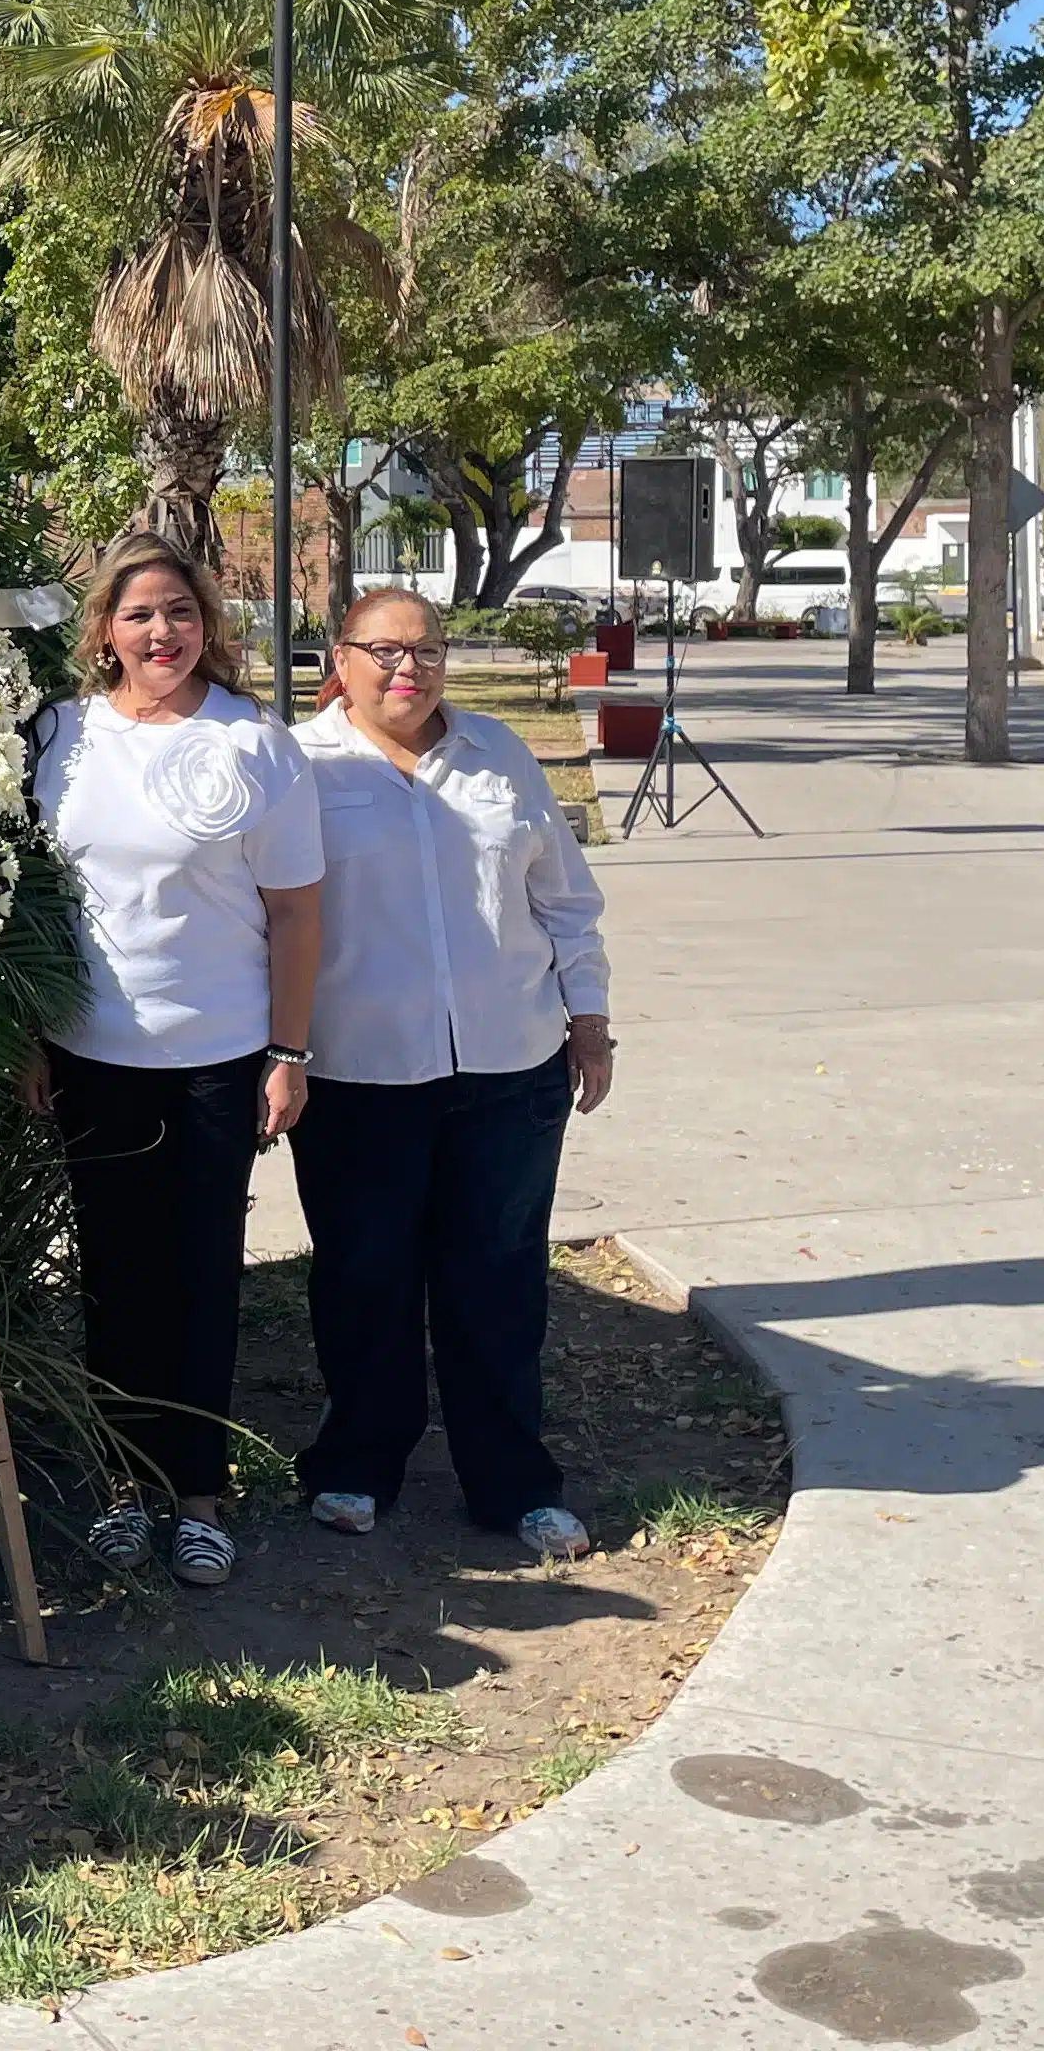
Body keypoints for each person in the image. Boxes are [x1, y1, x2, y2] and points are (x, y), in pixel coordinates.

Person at [290, 588, 616, 1562]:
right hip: (356, 1075)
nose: (409, 669)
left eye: (427, 649)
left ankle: (513, 1482)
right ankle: (357, 1463)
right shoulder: (297, 768)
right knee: (363, 1277)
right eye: (384, 651)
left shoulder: (500, 756)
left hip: (508, 1070)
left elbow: (565, 900)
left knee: (500, 1280)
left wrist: (589, 1020)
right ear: (338, 662)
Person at [28, 533, 323, 1590]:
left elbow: (295, 916)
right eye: (142, 613)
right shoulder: (59, 736)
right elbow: (30, 906)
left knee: (201, 1277)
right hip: (90, 1054)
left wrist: (288, 1052)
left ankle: (199, 1493)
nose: (164, 632)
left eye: (182, 613)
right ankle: (118, 1484)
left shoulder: (256, 745)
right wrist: (29, 1040)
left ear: (210, 626)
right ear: (104, 628)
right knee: (112, 1275)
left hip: (218, 1056)